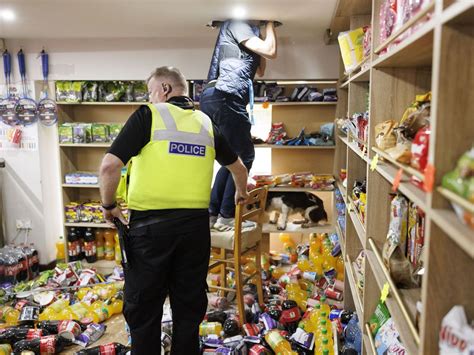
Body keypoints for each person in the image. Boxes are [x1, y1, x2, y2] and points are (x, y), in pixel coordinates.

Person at [98, 66, 249, 355]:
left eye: (151, 90)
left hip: (150, 232)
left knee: (144, 308)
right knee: (189, 307)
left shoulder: (148, 115)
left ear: (165, 89)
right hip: (194, 231)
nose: (150, 97)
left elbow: (109, 166)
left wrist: (109, 206)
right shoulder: (206, 123)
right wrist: (241, 194)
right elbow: (238, 168)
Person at [200, 20, 278, 230]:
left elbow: (260, 68)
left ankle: (213, 214)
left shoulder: (247, 36)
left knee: (230, 159)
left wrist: (261, 33)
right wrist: (270, 24)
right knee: (245, 156)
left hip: (218, 97)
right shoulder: (237, 23)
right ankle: (226, 216)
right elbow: (271, 51)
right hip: (226, 96)